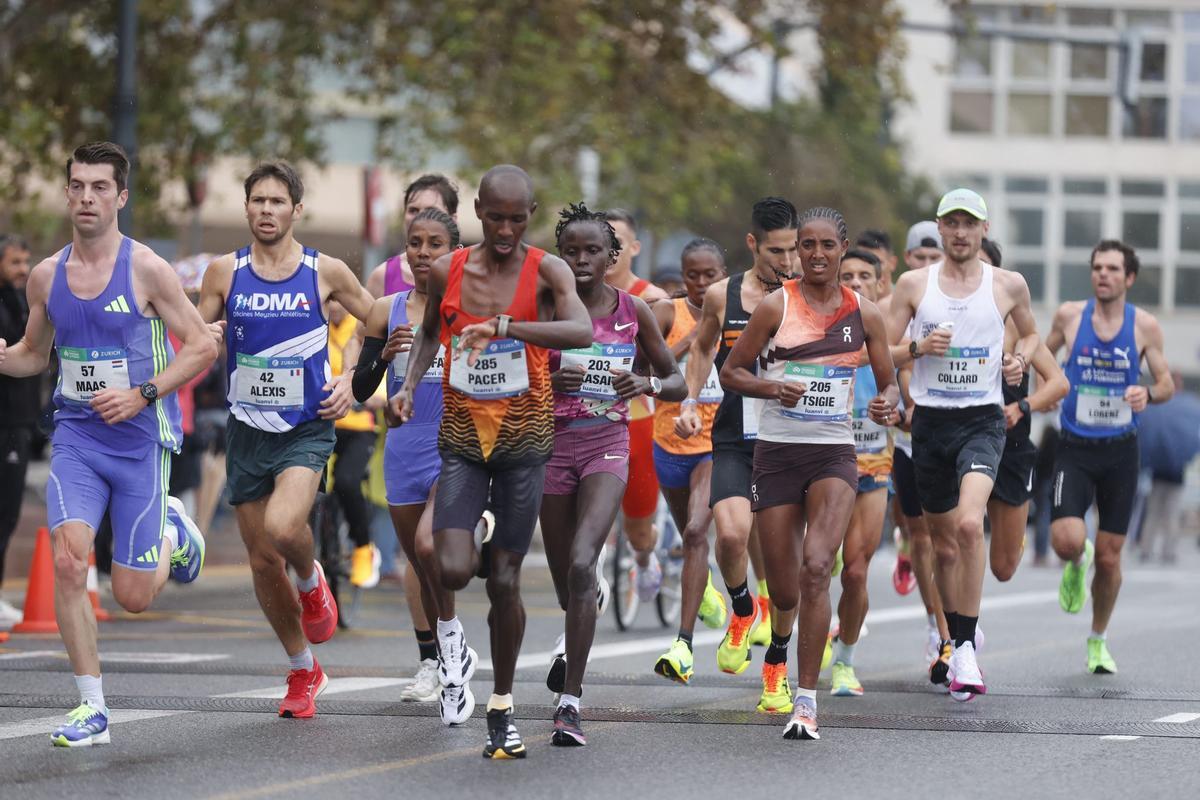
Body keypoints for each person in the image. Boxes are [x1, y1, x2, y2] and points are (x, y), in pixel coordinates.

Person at [0, 142, 216, 745]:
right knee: (69, 560)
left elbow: (201, 346)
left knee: (133, 596)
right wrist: (3, 358)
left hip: (141, 440)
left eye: (99, 186)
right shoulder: (45, 277)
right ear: (66, 192)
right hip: (76, 436)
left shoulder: (146, 268)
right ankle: (92, 707)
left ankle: (176, 533)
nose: (86, 197)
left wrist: (144, 393)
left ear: (121, 196)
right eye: (77, 185)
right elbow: (32, 355)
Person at [399, 165, 591, 759]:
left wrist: (510, 326)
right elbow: (430, 333)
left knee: (505, 581)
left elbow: (581, 330)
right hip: (462, 441)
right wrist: (406, 386)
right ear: (476, 211)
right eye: (495, 217)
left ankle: (502, 706)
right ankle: (479, 528)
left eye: (517, 218)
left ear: (529, 214)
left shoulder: (547, 270)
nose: (505, 229)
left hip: (524, 447)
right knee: (451, 568)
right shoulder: (447, 270)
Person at [197, 160, 375, 718]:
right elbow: (197, 336)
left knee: (281, 529)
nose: (266, 210)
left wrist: (352, 382)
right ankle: (303, 669)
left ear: (297, 210)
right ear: (246, 207)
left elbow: (375, 320)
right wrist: (204, 334)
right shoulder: (224, 272)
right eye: (258, 201)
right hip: (247, 430)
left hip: (306, 426)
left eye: (278, 202)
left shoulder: (327, 271)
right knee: (259, 561)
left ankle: (312, 576)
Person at [721, 206, 899, 741]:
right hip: (776, 453)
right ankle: (777, 644)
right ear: (797, 250)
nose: (817, 254)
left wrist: (888, 404)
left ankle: (806, 702)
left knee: (818, 566)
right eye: (808, 245)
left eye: (827, 245)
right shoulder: (777, 306)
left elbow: (889, 384)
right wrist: (772, 387)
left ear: (844, 249)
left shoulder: (865, 315)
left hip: (833, 454)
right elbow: (731, 372)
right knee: (785, 587)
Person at [540, 202, 686, 745]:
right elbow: (515, 374)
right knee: (567, 583)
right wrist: (550, 386)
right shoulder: (546, 307)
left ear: (612, 256)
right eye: (571, 251)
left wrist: (644, 385)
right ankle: (583, 596)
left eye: (593, 250)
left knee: (583, 561)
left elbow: (676, 383)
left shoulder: (634, 311)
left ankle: (570, 704)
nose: (581, 260)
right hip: (549, 447)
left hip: (606, 444)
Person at [887, 189, 1038, 700]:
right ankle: (953, 641)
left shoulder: (1008, 284)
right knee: (943, 544)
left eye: (968, 224)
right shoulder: (913, 285)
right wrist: (916, 347)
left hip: (982, 421)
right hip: (929, 424)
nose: (959, 232)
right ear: (939, 227)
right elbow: (880, 351)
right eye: (951, 223)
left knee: (971, 525)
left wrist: (1018, 361)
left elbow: (1032, 338)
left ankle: (966, 645)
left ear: (983, 230)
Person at [675, 197, 801, 713]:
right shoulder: (722, 296)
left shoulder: (805, 297)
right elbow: (703, 348)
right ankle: (743, 607)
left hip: (792, 443)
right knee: (729, 533)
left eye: (793, 249)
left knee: (787, 569)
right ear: (753, 245)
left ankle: (776, 666)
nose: (787, 262)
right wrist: (688, 399)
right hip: (733, 437)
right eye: (776, 251)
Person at [1045, 239, 1172, 674]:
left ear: (1129, 278)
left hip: (1121, 452)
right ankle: (1074, 563)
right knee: (1065, 540)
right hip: (1075, 448)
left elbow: (1167, 382)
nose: (1104, 274)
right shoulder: (1069, 315)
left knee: (1111, 556)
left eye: (1113, 269)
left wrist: (1147, 393)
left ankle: (1098, 639)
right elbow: (1043, 355)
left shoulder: (1144, 327)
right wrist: (1049, 384)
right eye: (1098, 267)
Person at [353, 208, 461, 707]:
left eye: (435, 243)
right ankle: (434, 661)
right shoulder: (384, 309)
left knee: (429, 546)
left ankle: (454, 643)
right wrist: (383, 356)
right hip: (403, 445)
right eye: (415, 242)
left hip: (455, 442)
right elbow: (361, 387)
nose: (423, 252)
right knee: (415, 561)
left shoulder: (468, 310)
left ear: (454, 252)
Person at [649, 238, 728, 684]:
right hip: (668, 443)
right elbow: (646, 373)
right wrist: (693, 342)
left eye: (710, 275)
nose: (700, 283)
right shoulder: (666, 314)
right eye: (692, 275)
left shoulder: (738, 314)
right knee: (688, 532)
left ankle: (683, 644)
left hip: (715, 444)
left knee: (698, 531)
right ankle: (707, 587)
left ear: (723, 275)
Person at [826, 248, 896, 697]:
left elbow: (902, 400)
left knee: (855, 572)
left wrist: (891, 407)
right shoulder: (815, 326)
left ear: (879, 284)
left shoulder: (886, 332)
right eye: (846, 274)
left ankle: (845, 662)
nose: (854, 281)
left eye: (863, 275)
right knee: (813, 568)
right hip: (822, 462)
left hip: (872, 463)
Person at [979, 240, 1068, 583]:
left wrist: (1023, 405)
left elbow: (1058, 383)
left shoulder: (1018, 328)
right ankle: (953, 634)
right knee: (956, 538)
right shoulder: (941, 318)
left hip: (1011, 444)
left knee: (1003, 567)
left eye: (983, 268)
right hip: (958, 435)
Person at [601, 209, 671, 602]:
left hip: (637, 422)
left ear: (635, 247)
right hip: (579, 420)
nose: (609, 252)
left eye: (618, 243)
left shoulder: (652, 300)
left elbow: (667, 367)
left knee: (638, 530)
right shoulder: (569, 294)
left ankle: (644, 559)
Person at [327, 299, 383, 595]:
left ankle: (364, 548)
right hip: (322, 425)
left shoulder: (362, 331)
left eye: (339, 300)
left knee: (347, 483)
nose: (334, 306)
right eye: (328, 301)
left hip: (360, 428)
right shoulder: (316, 329)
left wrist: (366, 397)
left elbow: (381, 381)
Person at [0, 233, 37, 625]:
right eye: (14, 262)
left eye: (26, 262)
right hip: (5, 423)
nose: (23, 270)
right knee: (3, 511)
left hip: (22, 421)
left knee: (9, 514)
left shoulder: (28, 303)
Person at [1135, 373, 1200, 563]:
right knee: (1169, 515)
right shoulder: (1184, 411)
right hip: (1174, 475)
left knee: (1155, 514)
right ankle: (1167, 551)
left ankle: (1148, 549)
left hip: (1159, 474)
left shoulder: (1159, 411)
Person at [365, 174, 460, 298]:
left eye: (431, 211)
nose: (420, 217)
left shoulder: (470, 275)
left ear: (452, 219)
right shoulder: (383, 276)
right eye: (413, 210)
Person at [854, 229, 897, 296]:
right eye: (863, 262)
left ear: (893, 263)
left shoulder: (908, 300)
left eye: (876, 263)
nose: (869, 270)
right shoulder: (846, 302)